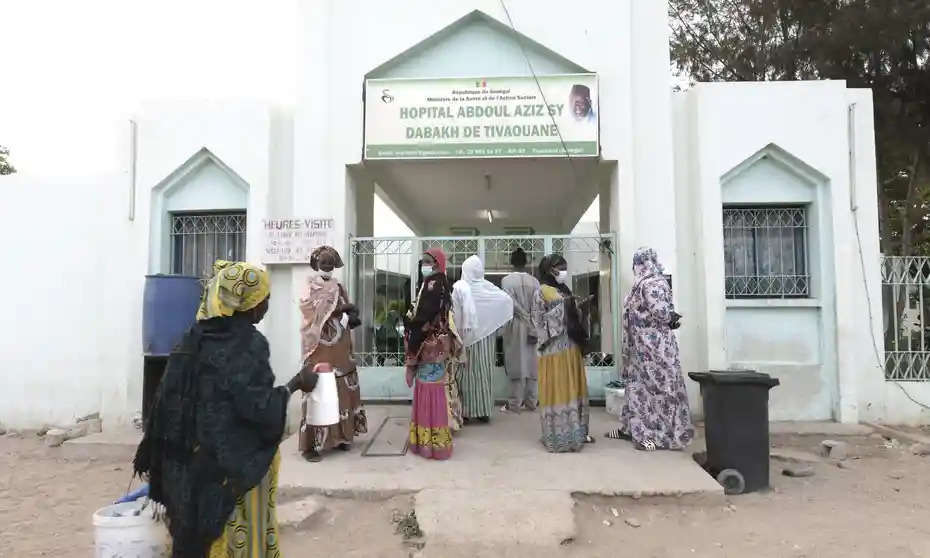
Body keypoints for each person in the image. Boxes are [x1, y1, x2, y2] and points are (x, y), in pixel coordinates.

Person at [134, 260, 318, 558]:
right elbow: (259, 409)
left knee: (195, 539)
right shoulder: (248, 344)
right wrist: (295, 385)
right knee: (237, 536)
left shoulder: (190, 339)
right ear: (247, 304)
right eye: (264, 299)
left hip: (188, 472)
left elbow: (166, 407)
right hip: (230, 476)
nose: (267, 305)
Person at [607, 247, 694, 451]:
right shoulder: (643, 283)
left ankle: (658, 435)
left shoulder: (651, 283)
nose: (635, 266)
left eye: (636, 262)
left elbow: (662, 313)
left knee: (657, 389)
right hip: (642, 349)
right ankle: (633, 429)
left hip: (654, 351)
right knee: (639, 389)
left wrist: (669, 318)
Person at [298, 245, 368, 462]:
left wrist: (350, 311)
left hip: (341, 347)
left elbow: (349, 308)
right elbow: (310, 311)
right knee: (320, 389)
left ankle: (342, 437)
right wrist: (341, 309)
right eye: (324, 263)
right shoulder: (310, 287)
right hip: (319, 347)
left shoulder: (339, 286)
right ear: (316, 264)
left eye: (330, 264)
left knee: (343, 387)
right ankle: (314, 445)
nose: (327, 267)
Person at [531, 254, 595, 452]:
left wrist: (579, 307)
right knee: (559, 387)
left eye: (565, 266)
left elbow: (572, 314)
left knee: (573, 388)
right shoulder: (540, 292)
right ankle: (559, 437)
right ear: (550, 269)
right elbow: (537, 322)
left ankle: (577, 433)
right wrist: (565, 308)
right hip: (553, 351)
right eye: (560, 267)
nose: (564, 271)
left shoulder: (563, 290)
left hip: (571, 348)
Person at [404, 247, 463, 459]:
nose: (424, 265)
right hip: (439, 347)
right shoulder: (443, 283)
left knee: (427, 391)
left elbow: (423, 317)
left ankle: (426, 444)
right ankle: (437, 443)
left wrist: (411, 335)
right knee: (436, 392)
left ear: (437, 263)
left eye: (427, 261)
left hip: (428, 346)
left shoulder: (432, 284)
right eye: (423, 261)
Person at [452, 255, 514, 423]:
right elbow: (506, 301)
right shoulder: (489, 287)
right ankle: (484, 410)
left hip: (466, 338)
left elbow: (456, 312)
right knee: (484, 374)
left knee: (466, 374)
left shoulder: (461, 287)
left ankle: (465, 411)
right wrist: (493, 324)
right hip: (486, 340)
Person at [501, 248, 540, 412]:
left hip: (515, 324)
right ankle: (531, 402)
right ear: (527, 262)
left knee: (515, 361)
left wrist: (524, 317)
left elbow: (509, 304)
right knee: (532, 363)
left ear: (511, 262)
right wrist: (533, 324)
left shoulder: (506, 281)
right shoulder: (535, 281)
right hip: (533, 325)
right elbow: (538, 306)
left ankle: (514, 403)